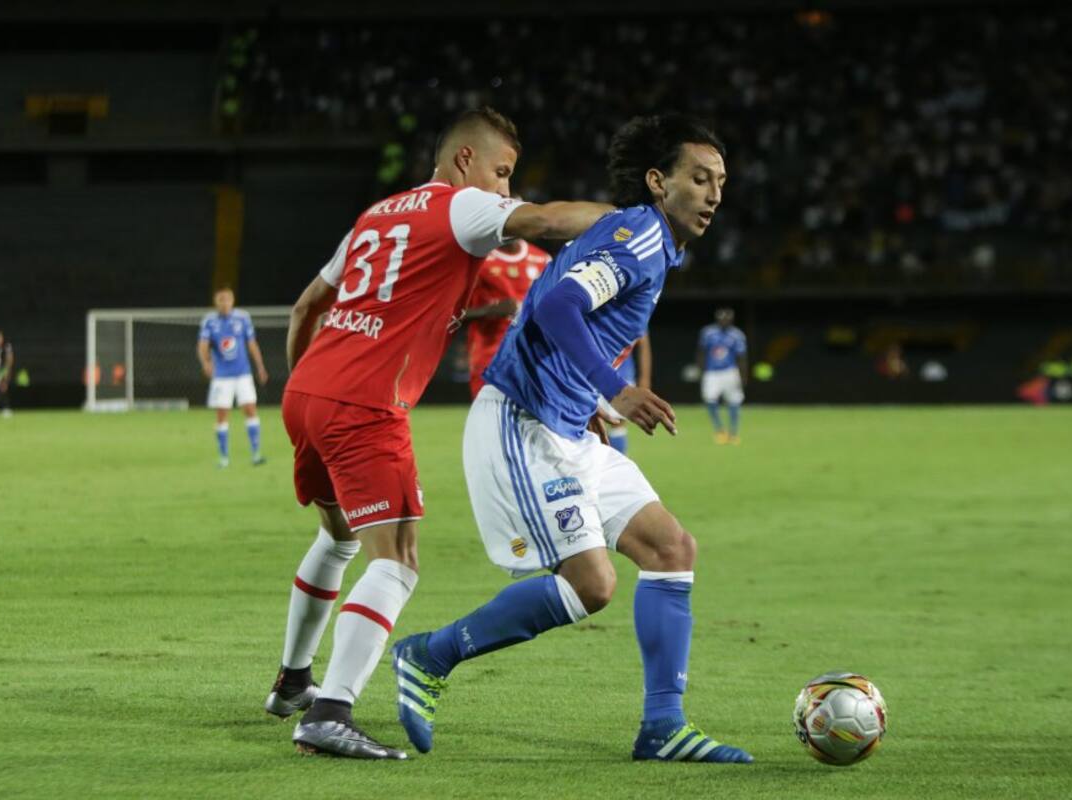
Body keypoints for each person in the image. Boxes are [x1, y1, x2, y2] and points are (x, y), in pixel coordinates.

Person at [391, 114, 753, 764]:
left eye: (720, 181)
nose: (713, 193)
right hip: (522, 421)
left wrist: (591, 397)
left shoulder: (645, 241)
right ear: (656, 181)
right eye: (699, 178)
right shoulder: (639, 235)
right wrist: (613, 389)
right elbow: (558, 307)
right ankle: (428, 655)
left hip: (570, 425)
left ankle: (663, 728)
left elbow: (553, 305)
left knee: (672, 549)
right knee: (592, 583)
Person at [270, 106, 612, 760]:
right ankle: (330, 712)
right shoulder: (463, 207)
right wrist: (634, 222)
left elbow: (305, 307)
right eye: (502, 172)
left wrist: (308, 387)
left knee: (338, 535)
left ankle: (293, 682)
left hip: (308, 390)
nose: (506, 190)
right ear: (464, 161)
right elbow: (545, 220)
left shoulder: (377, 214)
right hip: (364, 402)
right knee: (396, 562)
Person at [464, 235, 551, 399]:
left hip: (534, 354)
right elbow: (451, 314)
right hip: (490, 356)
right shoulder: (477, 261)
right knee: (489, 419)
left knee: (532, 421)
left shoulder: (542, 259)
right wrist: (489, 310)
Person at [196, 288, 270, 467]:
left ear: (233, 300)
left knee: (251, 410)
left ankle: (256, 454)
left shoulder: (243, 318)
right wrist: (205, 363)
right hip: (222, 377)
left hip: (243, 374)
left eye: (227, 299)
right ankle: (224, 458)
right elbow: (202, 345)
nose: (224, 303)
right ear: (216, 302)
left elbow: (251, 343)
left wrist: (260, 366)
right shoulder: (210, 321)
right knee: (222, 415)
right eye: (221, 300)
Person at [697, 308, 747, 444]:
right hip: (712, 372)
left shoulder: (737, 335)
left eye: (727, 319)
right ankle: (720, 430)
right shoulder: (708, 333)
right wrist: (701, 372)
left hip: (730, 371)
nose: (724, 321)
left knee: (734, 401)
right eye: (722, 319)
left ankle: (734, 432)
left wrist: (743, 376)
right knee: (710, 400)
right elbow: (701, 352)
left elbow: (741, 357)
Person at [604, 333, 652, 455]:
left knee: (616, 424)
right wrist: (644, 380)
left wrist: (644, 379)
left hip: (620, 377)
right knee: (612, 426)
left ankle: (614, 467)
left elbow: (643, 343)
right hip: (616, 377)